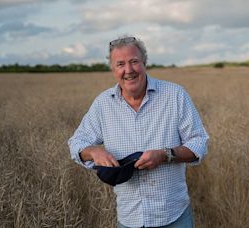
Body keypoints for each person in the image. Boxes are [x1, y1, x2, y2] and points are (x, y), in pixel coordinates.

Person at [68, 35, 209, 228]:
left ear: (144, 63)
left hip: (174, 216)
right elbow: (76, 142)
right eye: (120, 64)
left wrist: (165, 155)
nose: (128, 70)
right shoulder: (103, 104)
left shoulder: (175, 95)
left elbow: (199, 142)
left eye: (134, 61)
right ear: (112, 69)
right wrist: (93, 151)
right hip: (130, 218)